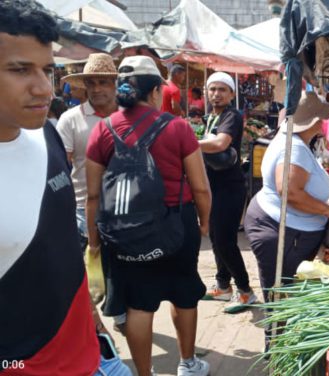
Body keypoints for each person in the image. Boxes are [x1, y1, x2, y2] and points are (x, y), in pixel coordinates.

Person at [86, 56, 212, 376]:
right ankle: (188, 364)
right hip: (177, 224)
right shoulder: (179, 128)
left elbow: (93, 195)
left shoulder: (103, 129)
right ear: (156, 91)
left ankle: (145, 374)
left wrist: (95, 241)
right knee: (184, 294)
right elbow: (201, 189)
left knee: (138, 304)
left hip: (125, 229)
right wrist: (205, 222)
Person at [0, 0, 104, 374]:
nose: (45, 88)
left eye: (47, 69)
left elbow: (58, 245)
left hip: (84, 355)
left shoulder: (46, 135)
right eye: (20, 70)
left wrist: (93, 319)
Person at [245, 92, 329, 346]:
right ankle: (276, 354)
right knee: (280, 300)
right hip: (283, 233)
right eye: (321, 117)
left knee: (278, 295)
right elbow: (290, 192)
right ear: (314, 122)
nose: (324, 121)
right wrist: (328, 211)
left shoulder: (293, 139)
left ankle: (276, 347)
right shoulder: (295, 147)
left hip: (282, 226)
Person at [197, 72, 258, 313]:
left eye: (222, 90)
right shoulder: (212, 116)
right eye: (212, 89)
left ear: (232, 94)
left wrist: (185, 141)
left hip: (229, 188)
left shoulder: (231, 116)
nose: (216, 94)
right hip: (213, 187)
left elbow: (220, 144)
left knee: (225, 240)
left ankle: (245, 291)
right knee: (215, 237)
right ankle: (223, 286)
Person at [57, 53, 119, 253]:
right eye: (91, 83)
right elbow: (60, 167)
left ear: (114, 83)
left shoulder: (130, 115)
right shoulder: (70, 120)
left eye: (103, 82)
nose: (97, 88)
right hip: (84, 209)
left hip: (126, 206)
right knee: (91, 277)